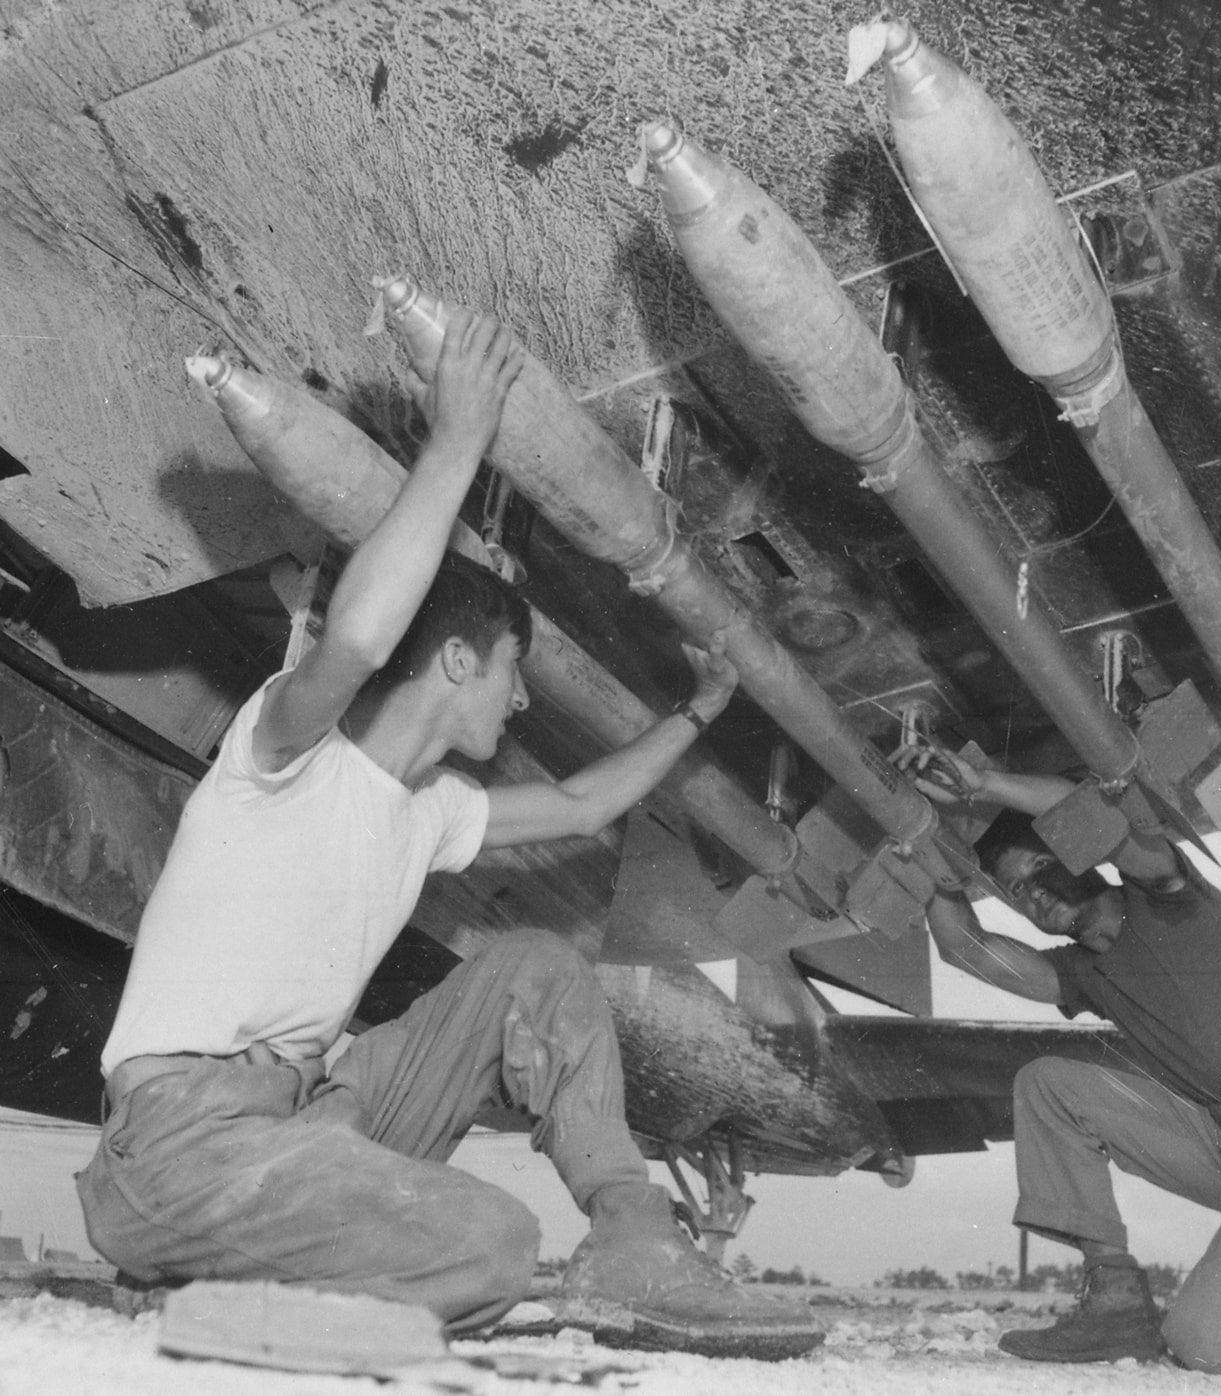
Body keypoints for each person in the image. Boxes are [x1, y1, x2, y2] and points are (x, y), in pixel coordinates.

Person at [76, 310, 822, 1361]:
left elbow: (577, 806)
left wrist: (701, 708)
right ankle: (199, 1307)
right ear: (461, 663)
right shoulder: (279, 757)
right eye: (513, 672)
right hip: (183, 1141)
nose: (520, 706)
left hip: (303, 1121)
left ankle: (634, 1239)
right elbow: (363, 634)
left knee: (538, 966)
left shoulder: (425, 817)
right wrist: (456, 438)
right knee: (488, 1243)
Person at [902, 749, 1221, 1378]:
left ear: (1077, 858)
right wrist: (927, 855)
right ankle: (1114, 1300)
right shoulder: (1082, 973)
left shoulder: (1170, 900)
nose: (1035, 893)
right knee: (1050, 1085)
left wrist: (986, 783)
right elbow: (967, 951)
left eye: (1043, 868)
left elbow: (1100, 819)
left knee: (1202, 1345)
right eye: (1019, 889)